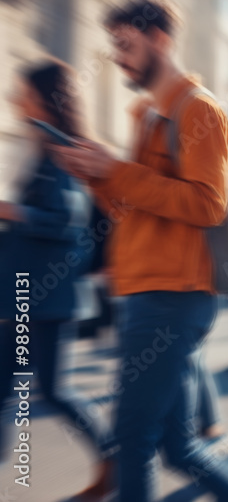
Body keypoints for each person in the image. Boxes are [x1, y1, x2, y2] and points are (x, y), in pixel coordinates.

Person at [51, 0, 228, 502]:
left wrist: (118, 172)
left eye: (126, 44)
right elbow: (138, 208)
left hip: (172, 295)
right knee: (176, 447)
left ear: (160, 40)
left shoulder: (198, 110)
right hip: (150, 290)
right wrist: (97, 177)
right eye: (114, 45)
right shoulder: (149, 114)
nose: (118, 56)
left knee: (130, 443)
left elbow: (207, 204)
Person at [0, 58, 114, 501]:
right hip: (23, 293)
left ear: (44, 99)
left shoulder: (59, 148)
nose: (16, 98)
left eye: (24, 91)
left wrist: (13, 211)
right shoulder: (33, 143)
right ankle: (112, 455)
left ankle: (113, 454)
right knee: (9, 389)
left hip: (43, 295)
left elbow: (68, 219)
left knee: (54, 390)